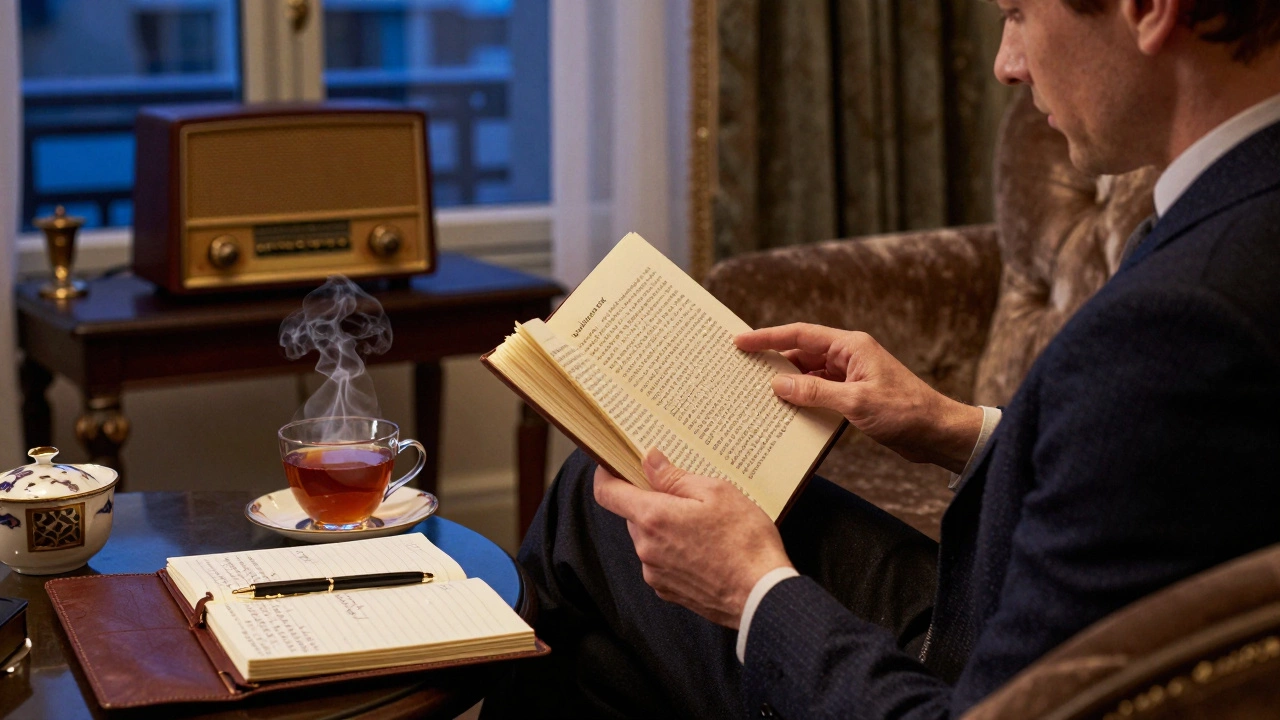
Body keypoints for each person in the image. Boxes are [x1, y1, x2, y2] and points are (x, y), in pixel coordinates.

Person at [483, 1, 1280, 717]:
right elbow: (1150, 473)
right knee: (604, 530)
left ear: (1148, 10)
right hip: (995, 603)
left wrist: (753, 590)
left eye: (1017, 15)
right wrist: (952, 427)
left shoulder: (1181, 321)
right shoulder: (1239, 210)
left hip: (957, 672)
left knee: (601, 524)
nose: (1007, 63)